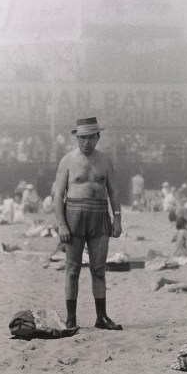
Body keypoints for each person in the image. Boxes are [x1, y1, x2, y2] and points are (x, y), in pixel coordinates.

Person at [54, 117, 122, 330]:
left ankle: (101, 317)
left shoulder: (105, 160)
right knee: (73, 268)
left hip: (100, 215)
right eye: (82, 138)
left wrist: (118, 217)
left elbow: (113, 191)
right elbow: (58, 196)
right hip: (74, 215)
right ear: (76, 137)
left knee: (99, 269)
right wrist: (62, 225)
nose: (86, 142)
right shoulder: (67, 161)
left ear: (98, 137)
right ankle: (71, 318)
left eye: (90, 137)